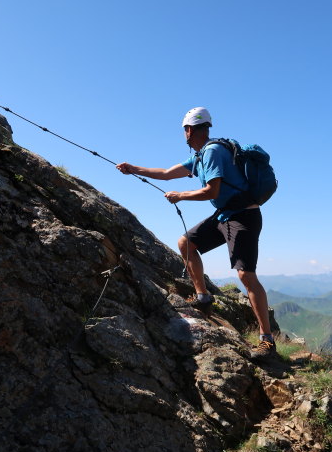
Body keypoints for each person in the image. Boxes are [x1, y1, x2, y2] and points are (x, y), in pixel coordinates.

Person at [116, 107, 276, 359]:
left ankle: (267, 340)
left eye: (184, 130)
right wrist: (133, 168)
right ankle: (203, 296)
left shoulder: (212, 152)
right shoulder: (200, 156)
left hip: (243, 215)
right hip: (225, 213)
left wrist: (181, 196)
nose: (184, 135)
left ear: (189, 129)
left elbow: (211, 191)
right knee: (186, 243)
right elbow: (168, 174)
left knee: (246, 275)